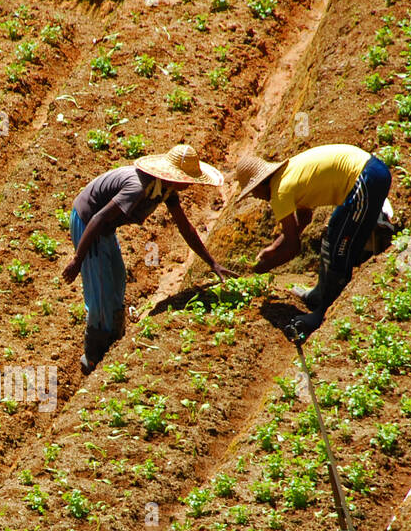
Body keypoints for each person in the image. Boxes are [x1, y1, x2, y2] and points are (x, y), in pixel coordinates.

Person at [63, 144, 230, 373]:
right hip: (88, 223)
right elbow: (99, 218)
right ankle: (93, 357)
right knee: (100, 291)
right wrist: (78, 260)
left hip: (104, 229)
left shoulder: (166, 190)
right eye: (189, 179)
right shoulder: (138, 187)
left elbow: (185, 228)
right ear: (175, 177)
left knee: (118, 280)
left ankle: (114, 341)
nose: (191, 184)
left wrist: (212, 263)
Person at [233, 143, 392, 338]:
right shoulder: (287, 175)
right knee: (332, 235)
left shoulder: (280, 193)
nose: (256, 197)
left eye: (253, 192)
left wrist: (263, 268)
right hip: (370, 172)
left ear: (260, 184)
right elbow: (305, 218)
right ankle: (320, 292)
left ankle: (323, 313)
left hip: (367, 178)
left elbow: (293, 247)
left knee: (340, 247)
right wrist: (273, 248)